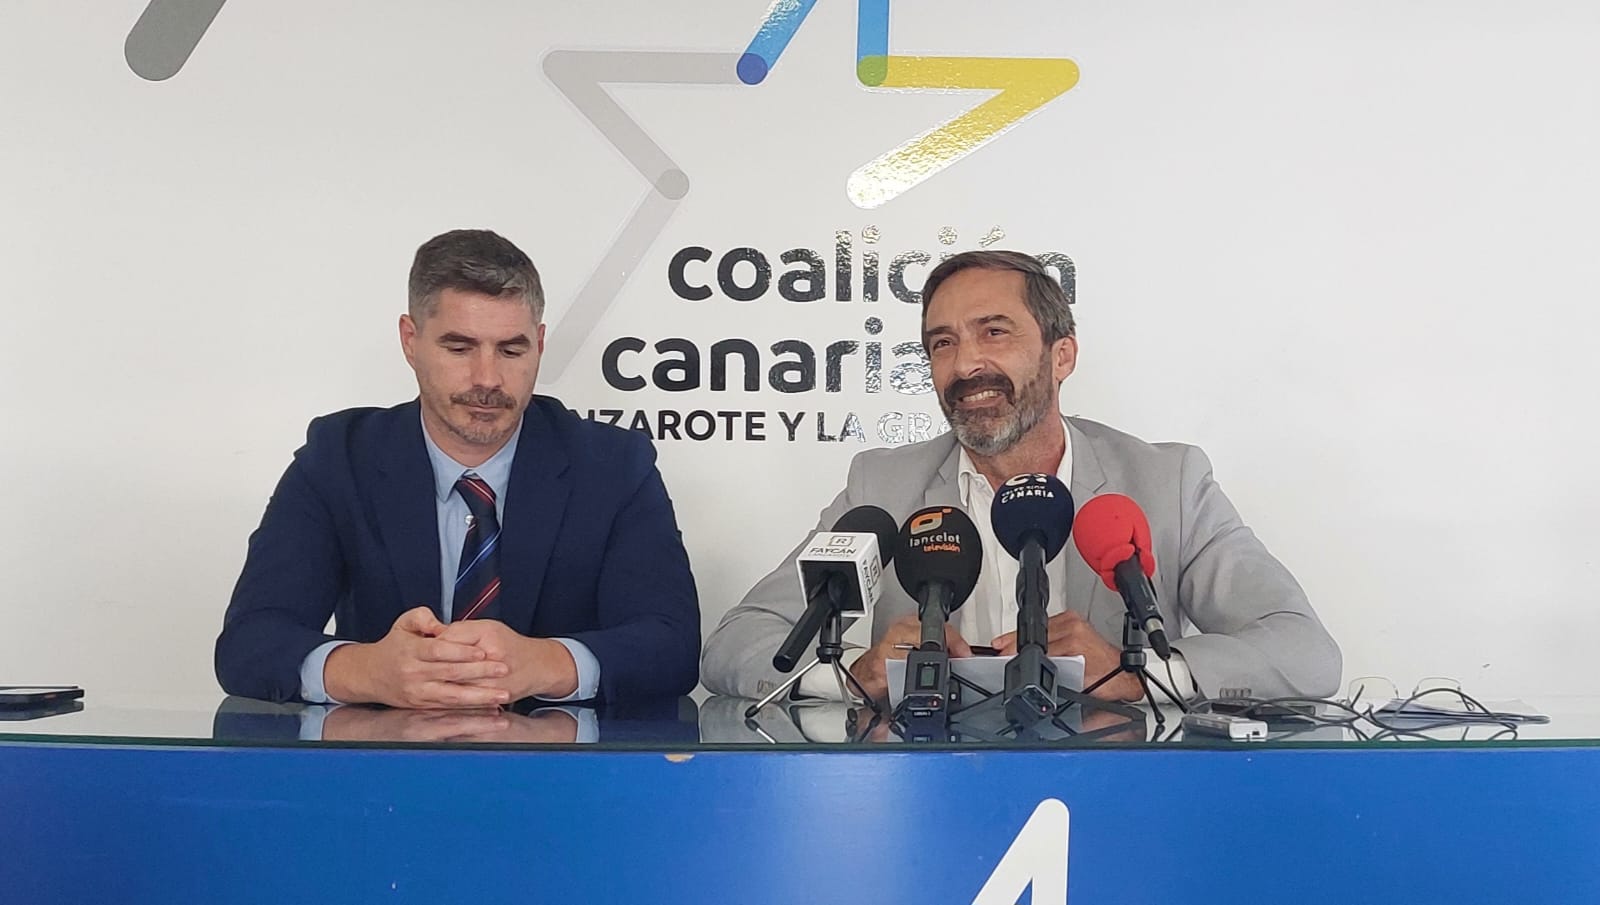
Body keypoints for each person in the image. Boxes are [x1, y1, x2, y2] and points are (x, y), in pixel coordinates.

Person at [701, 250, 1339, 705]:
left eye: (994, 332)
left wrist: (1139, 674)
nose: (966, 363)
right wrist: (847, 676)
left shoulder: (1165, 481)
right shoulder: (882, 488)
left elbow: (1304, 650)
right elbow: (737, 643)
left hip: (1113, 795)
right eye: (942, 343)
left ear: (1062, 354)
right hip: (926, 792)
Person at [216, 229, 700, 707]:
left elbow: (671, 646)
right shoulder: (339, 459)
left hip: (564, 776)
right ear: (410, 340)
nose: (488, 379)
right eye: (460, 348)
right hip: (387, 773)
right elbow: (250, 643)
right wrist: (368, 672)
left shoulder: (614, 467)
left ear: (540, 344)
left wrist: (545, 663)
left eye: (512, 350)